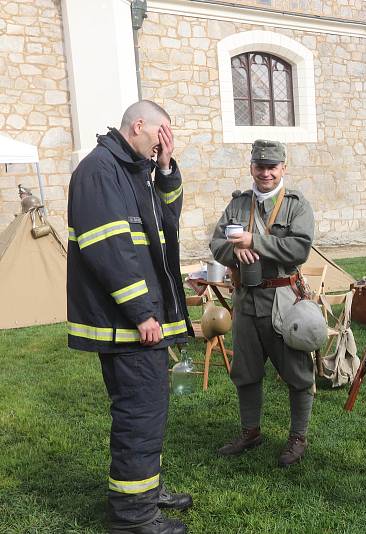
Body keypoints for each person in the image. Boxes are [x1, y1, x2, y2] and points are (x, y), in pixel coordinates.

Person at [66, 100, 193, 534]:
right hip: (127, 325)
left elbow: (167, 221)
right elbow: (110, 251)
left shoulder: (132, 170)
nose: (165, 142)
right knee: (139, 414)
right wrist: (141, 312)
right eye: (162, 135)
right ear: (140, 125)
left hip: (139, 321)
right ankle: (133, 517)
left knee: (150, 411)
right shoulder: (101, 171)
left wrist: (167, 166)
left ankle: (145, 492)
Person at [210, 140, 315, 467]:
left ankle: (298, 436)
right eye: (260, 166)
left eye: (272, 167)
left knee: (297, 371)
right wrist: (234, 252)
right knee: (246, 370)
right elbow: (217, 243)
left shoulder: (297, 205)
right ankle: (250, 431)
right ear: (252, 166)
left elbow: (299, 249)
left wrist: (254, 241)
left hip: (282, 298)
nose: (266, 173)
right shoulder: (239, 205)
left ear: (283, 168)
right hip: (246, 298)